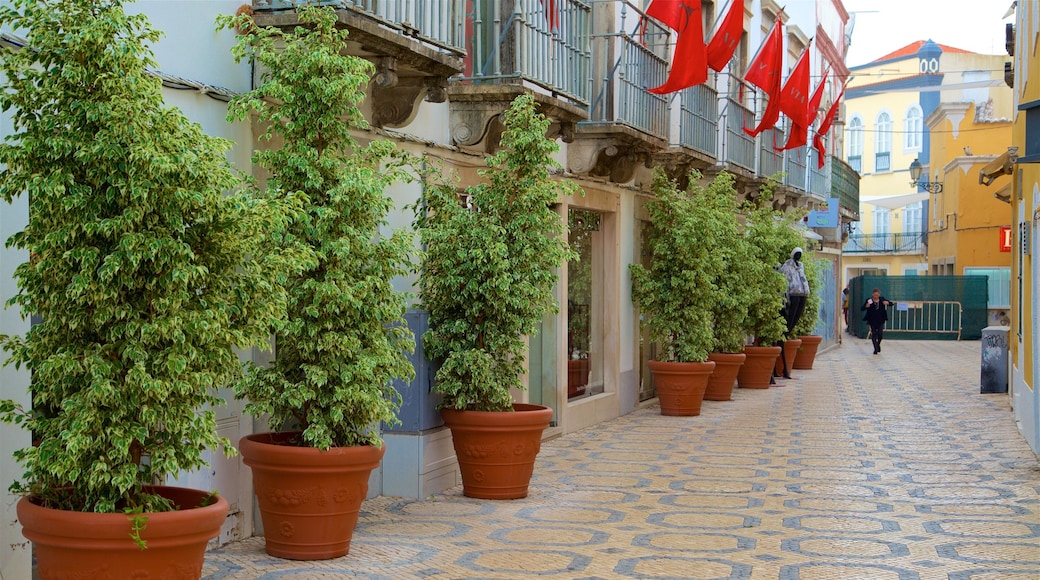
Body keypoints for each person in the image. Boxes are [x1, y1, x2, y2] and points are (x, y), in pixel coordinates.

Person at [775, 247, 810, 378]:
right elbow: (784, 283)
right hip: (793, 295)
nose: (798, 256)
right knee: (786, 328)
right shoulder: (787, 266)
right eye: (797, 254)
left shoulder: (801, 266)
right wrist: (786, 300)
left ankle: (783, 368)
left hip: (802, 295)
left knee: (791, 325)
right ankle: (781, 368)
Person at [861, 288, 893, 355]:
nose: (876, 296)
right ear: (872, 294)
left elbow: (891, 303)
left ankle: (878, 344)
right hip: (872, 320)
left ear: (879, 294)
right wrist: (866, 306)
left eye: (877, 295)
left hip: (881, 320)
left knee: (880, 334)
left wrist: (888, 303)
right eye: (875, 295)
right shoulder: (869, 300)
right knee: (874, 334)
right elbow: (862, 308)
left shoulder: (882, 299)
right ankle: (875, 348)